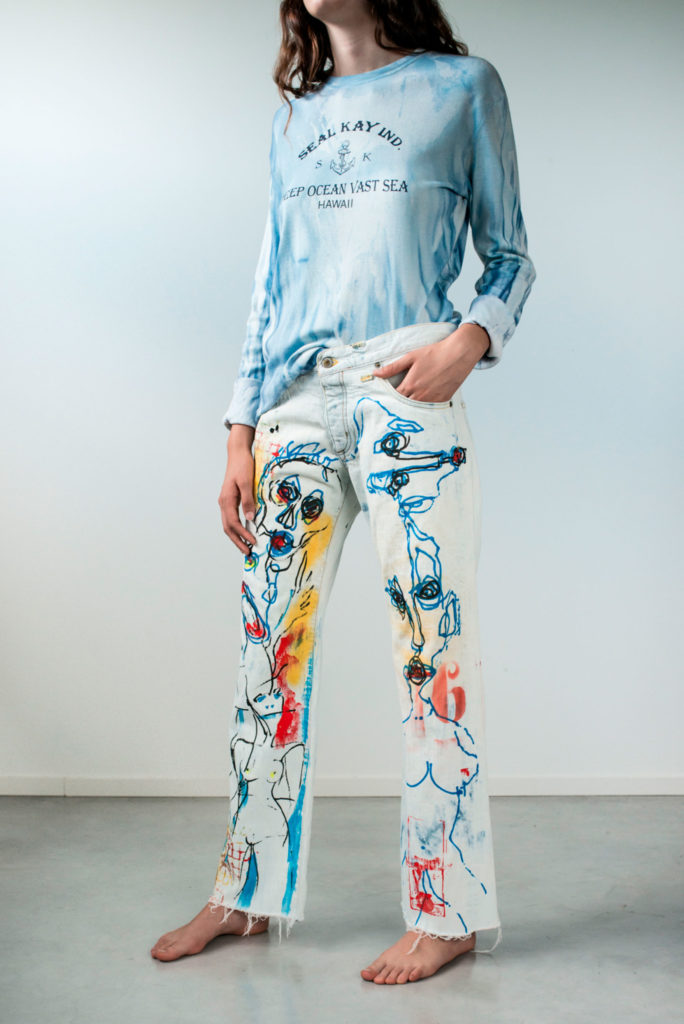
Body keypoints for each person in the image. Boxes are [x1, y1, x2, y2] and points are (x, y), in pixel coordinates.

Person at [151, 0, 536, 984]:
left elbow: (510, 256)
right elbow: (268, 287)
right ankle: (244, 892)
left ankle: (448, 910)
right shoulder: (295, 117)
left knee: (432, 647)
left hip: (406, 389)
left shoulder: (462, 88)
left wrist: (466, 342)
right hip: (295, 404)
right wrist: (238, 429)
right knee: (268, 653)